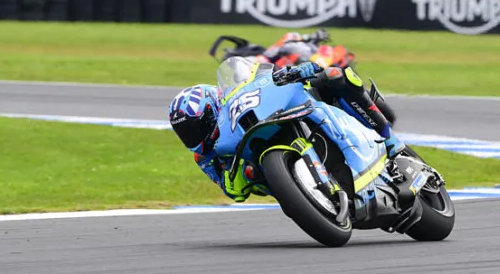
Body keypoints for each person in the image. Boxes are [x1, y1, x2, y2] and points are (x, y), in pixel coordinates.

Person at [167, 60, 405, 203]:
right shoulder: (205, 156)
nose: (193, 136)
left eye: (194, 128)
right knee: (250, 173)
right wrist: (240, 172)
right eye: (184, 132)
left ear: (212, 110)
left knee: (335, 76)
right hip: (273, 176)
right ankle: (313, 196)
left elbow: (265, 77)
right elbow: (234, 194)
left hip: (276, 114)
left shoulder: (235, 101)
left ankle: (389, 139)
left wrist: (296, 71)